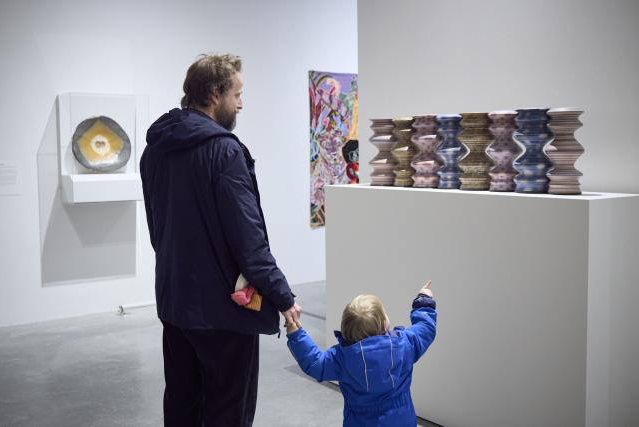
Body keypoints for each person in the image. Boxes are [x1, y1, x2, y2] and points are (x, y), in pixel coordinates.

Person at [140, 53, 301, 427]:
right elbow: (248, 237)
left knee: (182, 403)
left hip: (175, 301)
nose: (242, 103)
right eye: (238, 93)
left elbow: (156, 230)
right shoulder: (225, 150)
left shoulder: (154, 151)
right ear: (215, 94)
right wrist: (281, 294)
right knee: (228, 408)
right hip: (223, 312)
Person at [286, 281, 437, 427]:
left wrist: (296, 334)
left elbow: (315, 363)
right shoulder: (405, 345)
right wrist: (423, 300)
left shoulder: (342, 358)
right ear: (385, 324)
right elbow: (425, 328)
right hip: (402, 420)